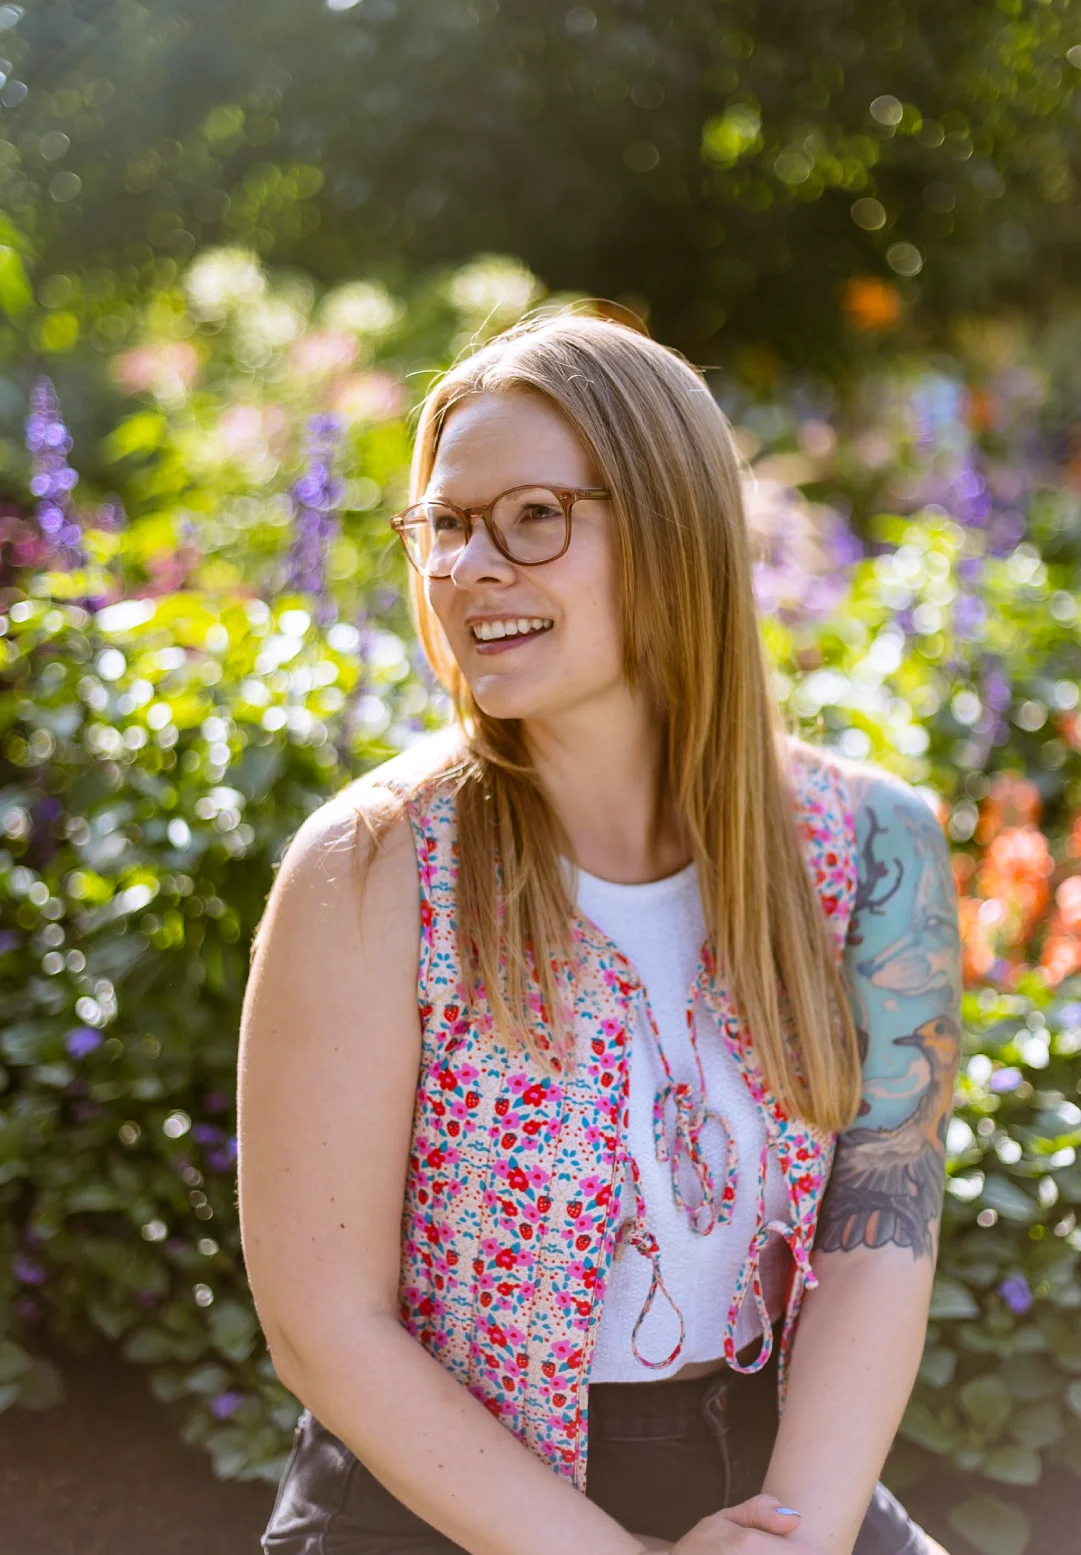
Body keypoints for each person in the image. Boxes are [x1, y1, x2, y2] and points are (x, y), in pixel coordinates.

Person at [238, 309, 961, 1555]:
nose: (467, 569)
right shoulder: (372, 868)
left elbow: (877, 1235)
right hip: (437, 1500)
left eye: (531, 517)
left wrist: (799, 1533)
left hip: (770, 1479)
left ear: (673, 533)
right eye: (447, 526)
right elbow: (323, 1322)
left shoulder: (876, 848)